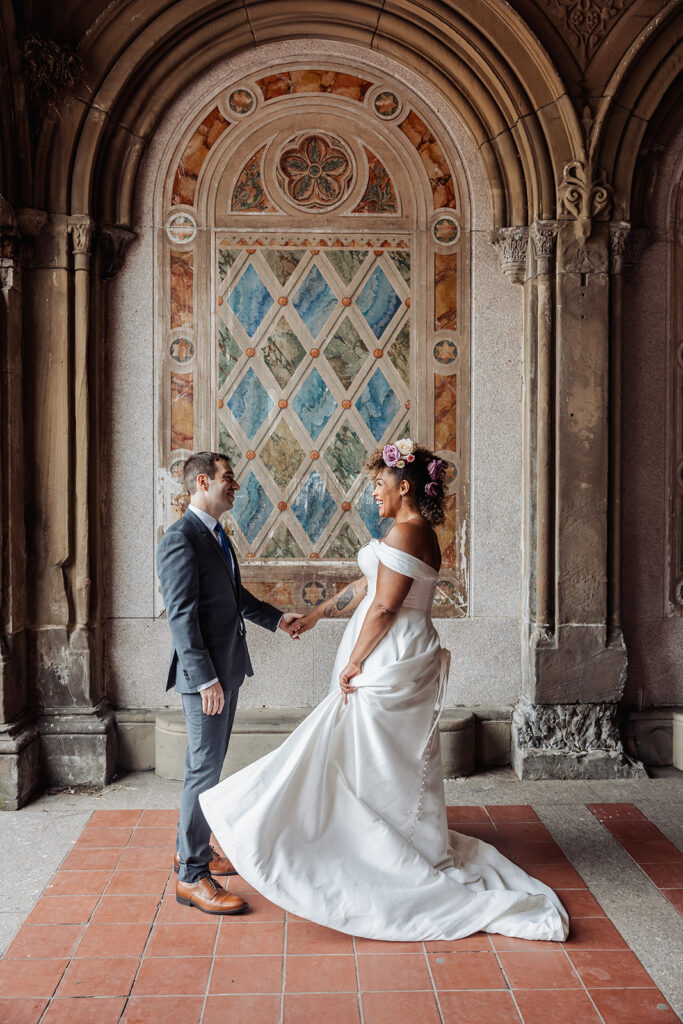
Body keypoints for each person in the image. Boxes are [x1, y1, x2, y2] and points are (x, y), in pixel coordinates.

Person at [199, 439, 569, 941]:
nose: (374, 491)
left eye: (379, 483)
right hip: (394, 652)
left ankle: (340, 845)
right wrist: (314, 616)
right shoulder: (408, 533)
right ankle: (354, 837)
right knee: (367, 754)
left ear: (405, 486)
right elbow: (364, 585)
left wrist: (354, 662)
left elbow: (384, 607)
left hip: (388, 658)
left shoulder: (408, 531)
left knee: (360, 753)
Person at [156, 451, 302, 916]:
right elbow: (181, 617)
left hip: (227, 668)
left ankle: (190, 849)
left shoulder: (215, 535)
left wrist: (278, 620)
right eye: (228, 479)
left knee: (207, 765)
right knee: (203, 769)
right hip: (207, 679)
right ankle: (192, 877)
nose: (235, 486)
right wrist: (204, 681)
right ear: (203, 481)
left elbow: (233, 597)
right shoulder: (180, 539)